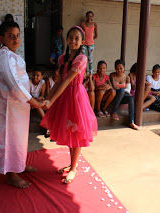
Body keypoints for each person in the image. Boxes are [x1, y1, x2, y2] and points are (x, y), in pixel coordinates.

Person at [0, 21, 44, 189]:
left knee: (19, 139)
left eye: (18, 36)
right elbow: (14, 85)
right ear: (2, 38)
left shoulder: (14, 55)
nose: (16, 39)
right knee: (9, 139)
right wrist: (35, 103)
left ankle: (19, 165)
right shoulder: (3, 56)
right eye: (11, 36)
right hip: (8, 109)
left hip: (19, 108)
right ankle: (11, 174)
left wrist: (32, 101)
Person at [41, 26, 97, 184]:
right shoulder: (62, 58)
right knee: (69, 131)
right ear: (67, 39)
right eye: (70, 38)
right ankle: (73, 163)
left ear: (82, 42)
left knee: (77, 133)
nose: (73, 41)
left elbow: (67, 81)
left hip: (76, 97)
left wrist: (51, 101)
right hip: (64, 97)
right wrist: (48, 97)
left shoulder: (82, 58)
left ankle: (73, 167)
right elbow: (59, 80)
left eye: (76, 38)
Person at [110, 59, 139, 130]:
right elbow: (114, 87)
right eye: (117, 68)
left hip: (123, 96)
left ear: (124, 68)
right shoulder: (112, 75)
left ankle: (131, 121)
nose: (119, 70)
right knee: (122, 91)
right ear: (115, 68)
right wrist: (122, 86)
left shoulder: (127, 77)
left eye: (121, 68)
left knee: (131, 98)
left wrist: (120, 86)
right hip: (115, 96)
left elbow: (128, 90)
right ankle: (113, 111)